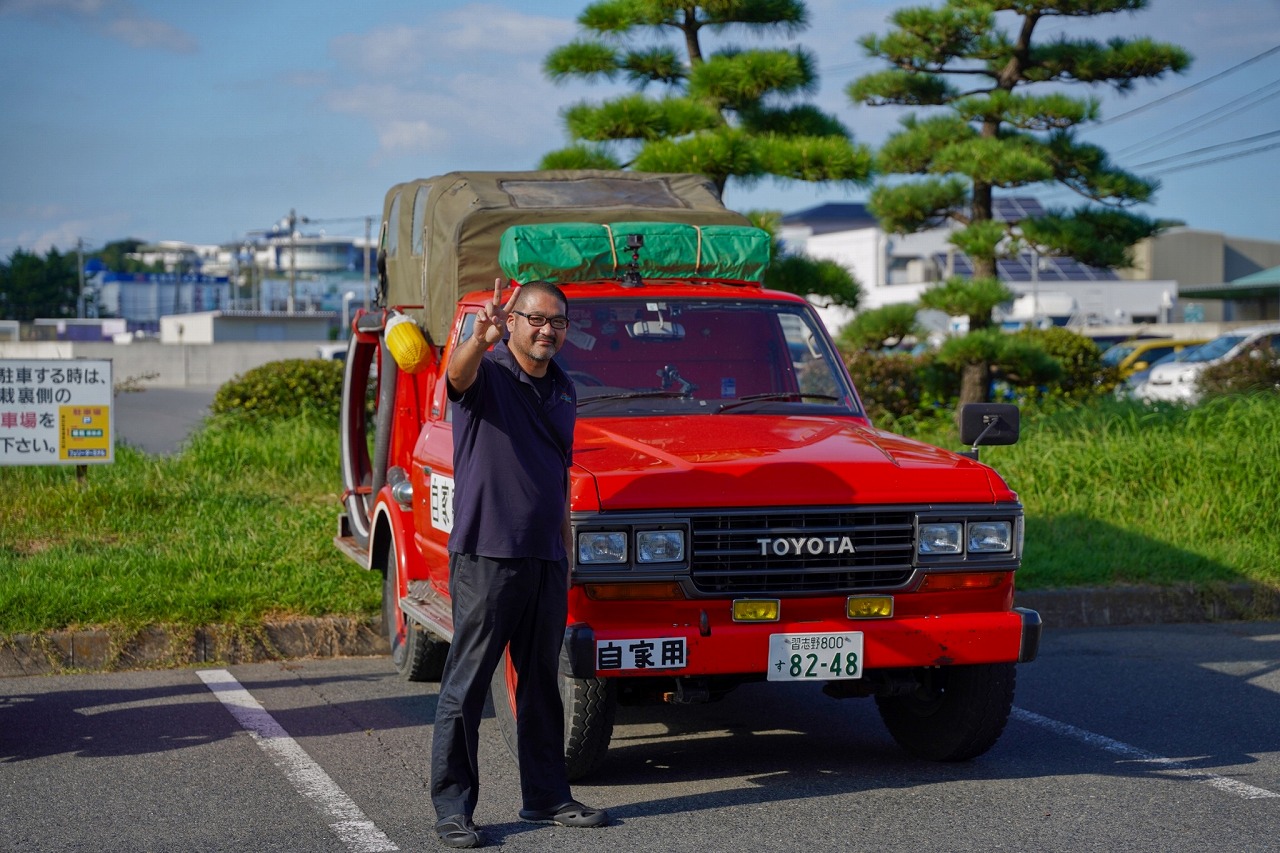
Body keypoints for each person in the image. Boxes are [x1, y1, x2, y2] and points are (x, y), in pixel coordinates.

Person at [430, 277, 609, 849]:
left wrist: (565, 553)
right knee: (468, 683)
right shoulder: (487, 375)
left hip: (545, 557)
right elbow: (454, 377)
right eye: (534, 318)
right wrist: (476, 340)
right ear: (511, 321)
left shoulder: (563, 388)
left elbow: (558, 476)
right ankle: (454, 809)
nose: (546, 330)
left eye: (556, 321)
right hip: (488, 554)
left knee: (540, 683)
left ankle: (546, 796)